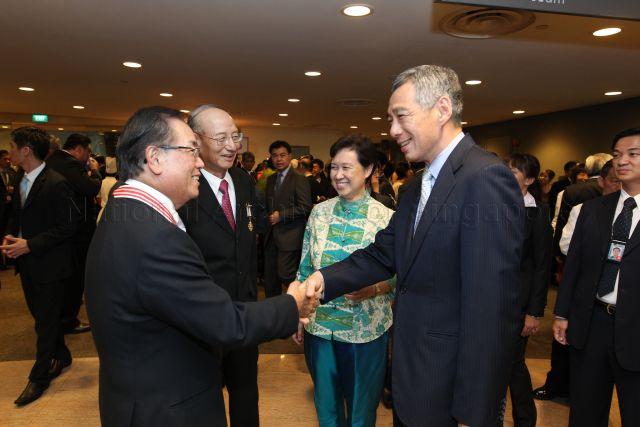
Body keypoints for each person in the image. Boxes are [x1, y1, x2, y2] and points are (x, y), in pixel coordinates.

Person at [299, 65, 524, 426]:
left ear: (442, 109)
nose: (392, 131)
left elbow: (492, 308)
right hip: (413, 373)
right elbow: (382, 254)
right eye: (391, 119)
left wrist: (474, 411)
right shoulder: (417, 186)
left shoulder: (484, 178)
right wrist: (322, 280)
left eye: (401, 116)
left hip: (450, 386)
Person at [84, 106, 319, 426]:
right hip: (167, 407)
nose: (198, 161)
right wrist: (293, 304)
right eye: (190, 150)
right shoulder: (154, 237)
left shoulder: (122, 211)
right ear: (154, 158)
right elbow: (225, 321)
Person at [293, 135, 395, 427]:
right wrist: (297, 313)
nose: (338, 175)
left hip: (365, 334)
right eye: (333, 167)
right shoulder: (318, 212)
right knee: (326, 409)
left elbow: (402, 278)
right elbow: (304, 267)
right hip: (320, 328)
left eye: (347, 167)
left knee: (361, 413)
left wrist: (375, 288)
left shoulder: (387, 219)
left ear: (368, 170)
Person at [178, 105, 264, 426]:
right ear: (196, 141)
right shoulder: (184, 187)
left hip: (243, 315)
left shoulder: (242, 180)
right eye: (221, 138)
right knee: (205, 401)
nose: (232, 145)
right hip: (202, 320)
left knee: (246, 394)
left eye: (235, 136)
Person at [553, 127, 640, 426]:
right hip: (592, 325)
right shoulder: (592, 211)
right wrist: (562, 313)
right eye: (617, 155)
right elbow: (574, 265)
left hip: (636, 328)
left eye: (633, 154)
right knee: (586, 412)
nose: (622, 161)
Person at [1, 127, 78, 406]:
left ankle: (40, 376)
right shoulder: (23, 177)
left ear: (25, 151)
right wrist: (11, 236)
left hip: (51, 265)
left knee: (44, 323)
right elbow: (20, 217)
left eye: (12, 146)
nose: (8, 151)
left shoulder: (57, 182)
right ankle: (62, 355)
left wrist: (30, 244)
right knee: (42, 316)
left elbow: (69, 226)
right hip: (29, 263)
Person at [503, 154, 552, 426]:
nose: (507, 175)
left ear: (530, 180)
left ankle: (525, 419)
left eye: (514, 172)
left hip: (519, 304)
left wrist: (534, 312)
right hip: (491, 300)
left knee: (513, 364)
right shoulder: (491, 206)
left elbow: (542, 265)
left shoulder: (537, 213)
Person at [47, 133, 102, 334]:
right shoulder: (68, 163)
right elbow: (90, 188)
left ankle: (65, 316)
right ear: (79, 149)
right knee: (75, 275)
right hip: (76, 230)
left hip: (64, 228)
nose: (89, 156)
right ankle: (69, 319)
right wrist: (95, 172)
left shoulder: (54, 161)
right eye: (88, 151)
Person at [264, 140, 312, 297]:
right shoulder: (271, 179)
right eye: (275, 156)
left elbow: (305, 207)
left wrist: (281, 216)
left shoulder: (299, 178)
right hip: (271, 236)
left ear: (290, 156)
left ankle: (296, 307)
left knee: (287, 275)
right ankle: (273, 314)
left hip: (290, 236)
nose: (278, 159)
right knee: (270, 280)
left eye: (282, 155)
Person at [559, 160, 620, 255]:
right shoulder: (582, 210)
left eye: (627, 182)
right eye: (616, 181)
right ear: (601, 181)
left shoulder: (633, 210)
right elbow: (566, 246)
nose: (620, 187)